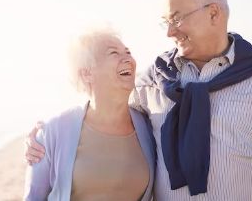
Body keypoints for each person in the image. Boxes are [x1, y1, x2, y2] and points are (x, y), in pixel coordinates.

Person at [25, 0, 252, 200]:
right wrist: (44, 135)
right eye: (166, 22)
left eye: (176, 18)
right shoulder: (152, 79)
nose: (170, 32)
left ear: (214, 14)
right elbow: (103, 107)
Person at [24, 27, 156, 200]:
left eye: (128, 52)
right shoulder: (53, 131)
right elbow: (33, 196)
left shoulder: (149, 126)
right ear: (87, 73)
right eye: (114, 53)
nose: (128, 59)